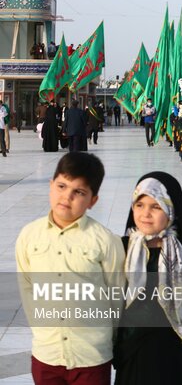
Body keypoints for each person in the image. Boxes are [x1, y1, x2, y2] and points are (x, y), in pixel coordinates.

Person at [15, 152, 125, 385]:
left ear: (93, 200)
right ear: (51, 185)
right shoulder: (29, 236)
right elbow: (27, 287)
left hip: (91, 356)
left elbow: (117, 296)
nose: (67, 197)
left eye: (79, 192)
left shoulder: (105, 241)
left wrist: (108, 340)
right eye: (62, 186)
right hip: (47, 355)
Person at [113, 172, 182, 385]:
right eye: (139, 205)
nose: (146, 214)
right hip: (133, 348)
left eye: (156, 207)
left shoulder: (181, 252)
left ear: (172, 210)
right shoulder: (123, 248)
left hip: (173, 347)